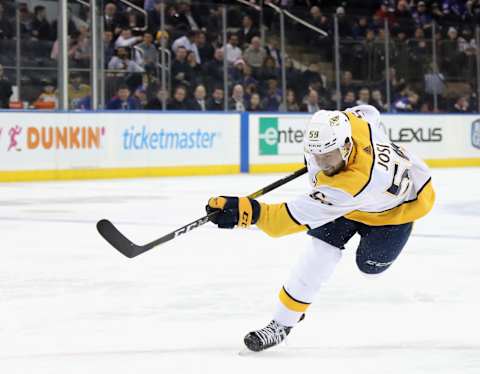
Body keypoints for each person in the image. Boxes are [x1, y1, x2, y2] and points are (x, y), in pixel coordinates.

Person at [206, 105, 435, 352]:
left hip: (394, 212)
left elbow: (279, 222)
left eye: (329, 155)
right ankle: (283, 322)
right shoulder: (351, 123)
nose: (323, 163)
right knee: (321, 252)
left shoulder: (351, 185)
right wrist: (324, 153)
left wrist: (246, 211)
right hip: (354, 201)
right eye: (317, 155)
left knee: (368, 266)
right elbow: (370, 113)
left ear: (347, 146)